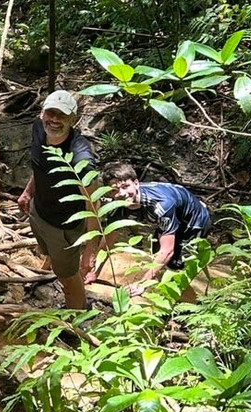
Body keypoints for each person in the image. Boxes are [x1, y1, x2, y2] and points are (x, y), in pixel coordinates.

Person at [17, 90, 103, 310]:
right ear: (42, 112)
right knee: (45, 251)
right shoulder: (38, 128)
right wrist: (28, 193)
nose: (54, 120)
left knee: (68, 276)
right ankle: (47, 271)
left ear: (73, 120)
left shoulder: (80, 156)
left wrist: (90, 252)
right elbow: (39, 166)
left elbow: (94, 204)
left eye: (61, 116)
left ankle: (77, 316)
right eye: (51, 113)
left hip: (63, 228)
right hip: (39, 212)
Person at [101, 162, 212, 296]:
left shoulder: (161, 204)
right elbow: (107, 240)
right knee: (156, 254)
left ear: (136, 183)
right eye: (114, 190)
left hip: (194, 221)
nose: (122, 194)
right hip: (172, 215)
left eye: (125, 186)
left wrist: (141, 284)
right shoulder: (116, 205)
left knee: (176, 263)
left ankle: (179, 302)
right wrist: (92, 272)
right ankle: (160, 286)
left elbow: (167, 251)